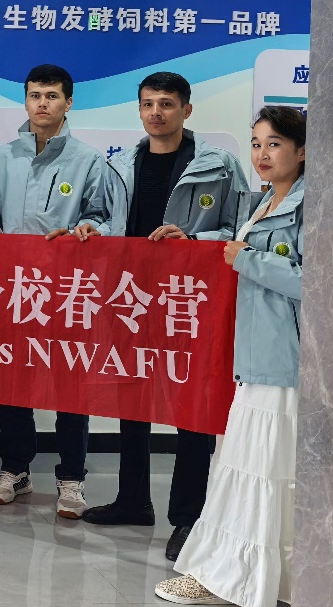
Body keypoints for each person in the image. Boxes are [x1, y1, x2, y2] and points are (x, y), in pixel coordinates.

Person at [83, 72, 248, 560]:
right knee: (133, 400)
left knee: (190, 408)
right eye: (148, 104)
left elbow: (241, 230)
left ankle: (188, 517)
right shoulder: (119, 166)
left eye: (167, 104)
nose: (157, 112)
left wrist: (193, 241)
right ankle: (133, 500)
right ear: (139, 110)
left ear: (186, 110)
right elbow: (101, 216)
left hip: (189, 301)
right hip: (131, 298)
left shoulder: (220, 166)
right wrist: (89, 228)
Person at [156, 106, 305, 607]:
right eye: (256, 143)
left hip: (285, 362)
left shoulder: (312, 206)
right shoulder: (262, 201)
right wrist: (200, 241)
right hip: (255, 355)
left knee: (266, 473)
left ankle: (237, 576)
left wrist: (250, 260)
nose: (262, 154)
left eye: (275, 144)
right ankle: (235, 573)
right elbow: (232, 247)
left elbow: (321, 282)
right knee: (245, 468)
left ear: (303, 151)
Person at [0, 63, 116, 519]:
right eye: (35, 95)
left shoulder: (89, 160)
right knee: (13, 385)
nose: (42, 103)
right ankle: (15, 470)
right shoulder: (0, 159)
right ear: (25, 100)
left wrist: (87, 228)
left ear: (68, 102)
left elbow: (103, 216)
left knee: (69, 388)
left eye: (52, 96)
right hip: (13, 289)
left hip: (67, 292)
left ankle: (72, 479)